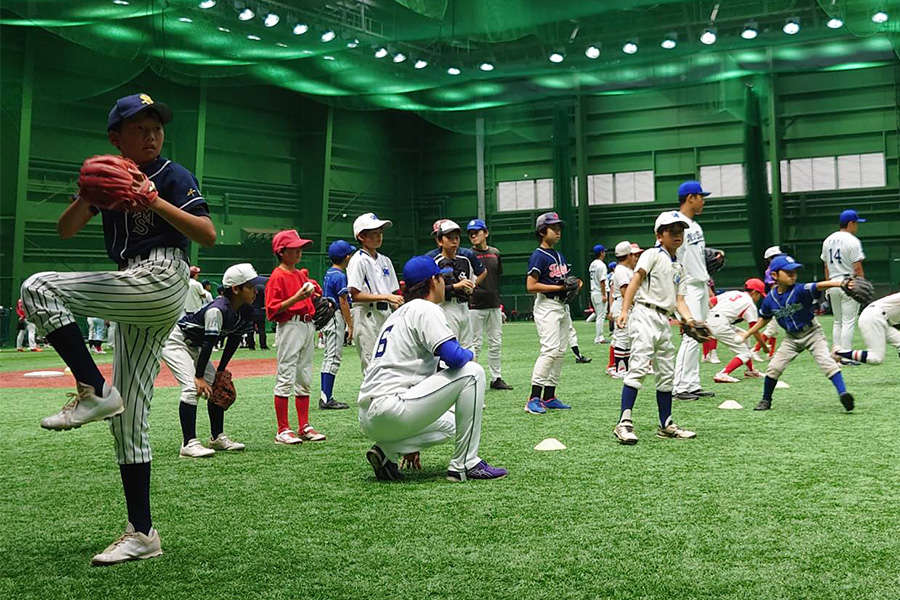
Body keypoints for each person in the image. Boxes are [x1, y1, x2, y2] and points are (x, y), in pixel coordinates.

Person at [20, 92, 216, 565]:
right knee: (128, 418)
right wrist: (87, 197)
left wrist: (154, 200)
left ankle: (92, 388)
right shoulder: (109, 181)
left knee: (38, 286)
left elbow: (206, 234)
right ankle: (143, 532)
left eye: (156, 127)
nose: (151, 136)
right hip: (134, 284)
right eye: (139, 129)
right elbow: (65, 230)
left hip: (163, 275)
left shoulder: (172, 174)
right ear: (116, 139)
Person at [358, 255, 507, 483]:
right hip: (393, 406)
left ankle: (387, 451)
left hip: (370, 417)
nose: (444, 284)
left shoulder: (397, 315)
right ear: (433, 281)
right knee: (473, 372)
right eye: (441, 278)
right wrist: (469, 354)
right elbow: (454, 357)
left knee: (451, 425)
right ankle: (466, 463)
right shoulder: (425, 308)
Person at [612, 211, 699, 445]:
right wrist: (623, 311)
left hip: (664, 319)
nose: (677, 235)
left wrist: (690, 320)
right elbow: (635, 281)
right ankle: (624, 423)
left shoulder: (679, 267)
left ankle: (666, 424)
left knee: (666, 373)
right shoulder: (651, 254)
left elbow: (680, 301)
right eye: (672, 231)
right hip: (644, 313)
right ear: (659, 235)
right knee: (639, 367)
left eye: (680, 230)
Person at [161, 263, 258, 457]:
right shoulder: (217, 310)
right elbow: (208, 344)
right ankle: (188, 443)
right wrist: (198, 376)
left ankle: (217, 438)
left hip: (195, 346)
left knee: (215, 384)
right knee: (191, 387)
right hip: (176, 342)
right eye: (250, 287)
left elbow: (233, 341)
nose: (255, 291)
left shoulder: (244, 311)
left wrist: (221, 371)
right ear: (236, 289)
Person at [740, 255, 856, 412]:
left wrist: (841, 283)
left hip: (812, 333)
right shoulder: (770, 300)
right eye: (788, 272)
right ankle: (766, 400)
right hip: (791, 338)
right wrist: (747, 334)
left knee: (827, 363)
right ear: (774, 275)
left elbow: (820, 285)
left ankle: (843, 394)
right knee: (774, 367)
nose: (793, 275)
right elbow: (764, 319)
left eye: (794, 271)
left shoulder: (800, 290)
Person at [265, 230, 327, 444]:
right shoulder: (277, 276)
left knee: (304, 376)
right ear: (281, 252)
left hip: (307, 325)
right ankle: (282, 429)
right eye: (294, 247)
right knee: (286, 375)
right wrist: (297, 298)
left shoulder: (300, 274)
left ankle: (304, 425)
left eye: (300, 247)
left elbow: (313, 293)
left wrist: (314, 293)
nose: (299, 250)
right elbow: (272, 310)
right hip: (289, 326)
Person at [524, 212, 576, 414]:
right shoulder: (539, 255)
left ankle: (549, 396)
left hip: (561, 306)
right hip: (547, 306)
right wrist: (560, 289)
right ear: (541, 231)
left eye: (559, 227)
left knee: (560, 351)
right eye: (553, 228)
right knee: (550, 349)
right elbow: (531, 285)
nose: (558, 231)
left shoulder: (558, 254)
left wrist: (570, 286)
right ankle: (533, 398)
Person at [672, 181, 717, 401]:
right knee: (692, 334)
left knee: (700, 335)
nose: (703, 200)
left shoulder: (696, 226)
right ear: (691, 198)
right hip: (686, 286)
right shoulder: (674, 222)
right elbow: (666, 255)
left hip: (700, 283)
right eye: (701, 196)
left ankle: (692, 384)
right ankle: (679, 386)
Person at [347, 213, 402, 373]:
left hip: (386, 313)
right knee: (371, 364)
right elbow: (355, 295)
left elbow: (393, 291)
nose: (379, 237)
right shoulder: (358, 260)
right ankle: (372, 398)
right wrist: (386, 296)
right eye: (374, 233)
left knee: (389, 361)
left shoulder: (385, 260)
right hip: (366, 314)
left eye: (380, 233)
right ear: (361, 236)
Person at [466, 219, 512, 391]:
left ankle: (496, 378)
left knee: (496, 342)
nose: (473, 235)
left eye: (477, 231)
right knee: (474, 344)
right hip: (474, 306)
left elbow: (497, 276)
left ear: (485, 233)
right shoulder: (467, 255)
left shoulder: (495, 253)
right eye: (470, 232)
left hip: (493, 305)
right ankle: (471, 379)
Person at [430, 220, 485, 351]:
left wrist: (470, 287)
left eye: (456, 238)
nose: (454, 241)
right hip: (446, 307)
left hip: (464, 306)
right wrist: (456, 286)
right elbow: (433, 291)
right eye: (449, 238)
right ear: (440, 241)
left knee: (468, 347)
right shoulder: (435, 262)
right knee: (450, 347)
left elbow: (473, 279)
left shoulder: (465, 260)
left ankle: (470, 372)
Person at [820, 210, 867, 354]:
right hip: (849, 283)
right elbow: (857, 268)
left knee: (838, 321)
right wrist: (862, 286)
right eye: (856, 224)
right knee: (848, 321)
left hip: (833, 283)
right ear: (850, 223)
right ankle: (846, 354)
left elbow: (826, 266)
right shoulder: (853, 241)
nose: (857, 227)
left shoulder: (828, 240)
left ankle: (836, 352)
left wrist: (828, 286)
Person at [708, 279, 770, 383]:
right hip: (720, 324)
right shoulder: (750, 304)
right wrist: (764, 347)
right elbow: (754, 330)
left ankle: (751, 371)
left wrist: (716, 315)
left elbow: (711, 301)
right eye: (759, 295)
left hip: (711, 318)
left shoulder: (734, 292)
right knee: (745, 354)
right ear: (754, 292)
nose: (759, 298)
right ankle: (722, 374)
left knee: (745, 339)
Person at [319, 240, 356, 410]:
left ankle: (326, 396)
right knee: (332, 358)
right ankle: (326, 398)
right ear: (347, 257)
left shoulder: (330, 272)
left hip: (328, 317)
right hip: (334, 317)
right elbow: (344, 302)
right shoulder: (340, 275)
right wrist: (350, 325)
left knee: (329, 357)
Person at [833, 289, 900, 365]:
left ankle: (840, 352)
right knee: (875, 358)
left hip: (879, 318)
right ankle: (839, 353)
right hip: (874, 317)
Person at [609, 242, 641, 377]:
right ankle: (620, 369)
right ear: (629, 255)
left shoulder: (624, 269)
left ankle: (624, 368)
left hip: (623, 305)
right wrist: (634, 304)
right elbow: (624, 291)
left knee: (625, 337)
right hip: (622, 305)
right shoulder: (622, 270)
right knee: (622, 337)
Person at [752, 246, 783, 362]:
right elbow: (774, 286)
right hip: (775, 302)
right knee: (771, 328)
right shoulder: (771, 270)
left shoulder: (775, 269)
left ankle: (770, 354)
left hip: (775, 301)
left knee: (774, 329)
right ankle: (755, 350)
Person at [589, 244, 609, 344]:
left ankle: (599, 337)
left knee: (599, 316)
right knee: (601, 316)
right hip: (599, 292)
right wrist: (604, 294)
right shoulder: (601, 265)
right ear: (601, 253)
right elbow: (602, 281)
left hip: (593, 291)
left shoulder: (592, 264)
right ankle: (599, 338)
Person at [244, 278, 268, 350]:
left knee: (250, 330)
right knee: (262, 329)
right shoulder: (263, 289)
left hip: (251, 311)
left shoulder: (251, 290)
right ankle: (263, 345)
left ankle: (251, 345)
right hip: (261, 311)